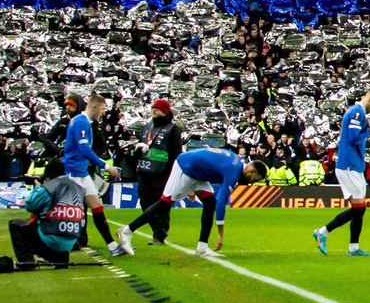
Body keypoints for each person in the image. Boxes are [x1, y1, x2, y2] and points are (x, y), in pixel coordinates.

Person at [119, 148, 267, 257]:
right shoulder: (233, 172)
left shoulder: (235, 161)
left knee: (209, 203)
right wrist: (221, 233)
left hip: (197, 174)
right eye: (256, 179)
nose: (253, 183)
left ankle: (202, 247)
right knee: (164, 204)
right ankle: (126, 231)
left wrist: (192, 189)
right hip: (185, 168)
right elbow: (222, 203)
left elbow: (209, 161)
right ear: (252, 172)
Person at [313, 88, 370, 257]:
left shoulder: (358, 113)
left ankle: (353, 247)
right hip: (348, 165)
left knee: (359, 209)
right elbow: (353, 137)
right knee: (359, 208)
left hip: (354, 165)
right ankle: (323, 231)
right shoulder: (357, 113)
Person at [64, 93, 124, 256]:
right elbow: (84, 150)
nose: (104, 113)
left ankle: (112, 247)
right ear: (95, 107)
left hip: (82, 172)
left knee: (97, 207)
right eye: (103, 109)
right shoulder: (80, 122)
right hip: (74, 173)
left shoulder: (86, 123)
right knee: (74, 213)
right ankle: (61, 244)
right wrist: (106, 166)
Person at [8, 174, 88, 270]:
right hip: (71, 243)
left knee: (16, 225)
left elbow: (30, 205)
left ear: (48, 178)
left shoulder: (50, 187)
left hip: (50, 241)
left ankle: (27, 262)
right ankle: (61, 257)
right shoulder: (78, 188)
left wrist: (38, 187)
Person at [132, 99, 184, 245]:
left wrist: (171, 173)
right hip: (144, 171)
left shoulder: (173, 129)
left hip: (162, 173)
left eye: (158, 108)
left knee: (161, 205)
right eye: (153, 107)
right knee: (144, 203)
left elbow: (176, 153)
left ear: (165, 111)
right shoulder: (147, 127)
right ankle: (156, 230)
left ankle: (159, 235)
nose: (154, 110)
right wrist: (136, 152)